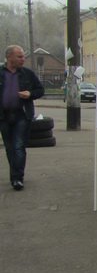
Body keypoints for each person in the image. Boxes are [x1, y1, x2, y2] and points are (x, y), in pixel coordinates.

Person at [0, 45, 44, 191]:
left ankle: (17, 178)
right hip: (3, 116)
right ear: (9, 57)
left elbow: (40, 90)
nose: (23, 59)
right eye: (19, 56)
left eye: (23, 56)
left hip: (22, 115)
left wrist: (30, 94)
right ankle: (14, 175)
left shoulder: (27, 74)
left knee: (18, 146)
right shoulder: (1, 73)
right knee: (9, 148)